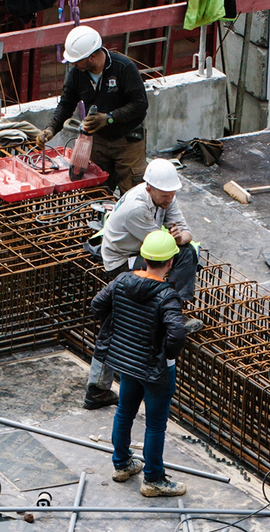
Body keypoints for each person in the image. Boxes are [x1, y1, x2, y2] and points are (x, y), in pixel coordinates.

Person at [83, 158, 201, 410]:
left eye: (172, 195)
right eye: (165, 195)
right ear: (149, 188)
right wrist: (177, 240)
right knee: (115, 323)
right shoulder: (137, 207)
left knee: (187, 251)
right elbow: (160, 251)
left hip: (142, 253)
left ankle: (172, 311)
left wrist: (182, 236)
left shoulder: (166, 194)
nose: (170, 200)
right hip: (121, 263)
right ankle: (97, 389)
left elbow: (186, 235)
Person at [92, 229, 188, 497]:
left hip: (127, 362)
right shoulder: (166, 295)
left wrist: (120, 332)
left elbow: (97, 306)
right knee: (155, 424)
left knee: (125, 412)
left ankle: (122, 464)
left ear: (144, 257)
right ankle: (153, 479)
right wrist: (166, 355)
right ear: (170, 262)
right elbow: (177, 333)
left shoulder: (122, 280)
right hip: (156, 369)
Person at [35, 25, 148, 195]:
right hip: (97, 142)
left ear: (92, 57)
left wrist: (109, 118)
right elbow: (66, 105)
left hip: (128, 142)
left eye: (76, 60)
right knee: (96, 193)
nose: (73, 64)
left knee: (134, 195)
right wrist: (51, 128)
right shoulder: (77, 74)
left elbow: (140, 104)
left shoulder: (123, 68)